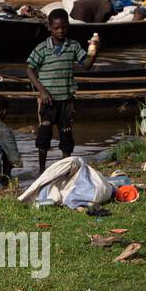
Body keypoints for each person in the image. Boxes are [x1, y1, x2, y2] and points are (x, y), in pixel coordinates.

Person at [26, 9, 99, 173]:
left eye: (64, 28)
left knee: (66, 135)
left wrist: (94, 51)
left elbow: (86, 65)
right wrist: (42, 91)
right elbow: (29, 70)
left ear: (68, 27)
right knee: (44, 135)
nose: (61, 31)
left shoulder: (73, 46)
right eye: (57, 28)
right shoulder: (43, 48)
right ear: (49, 28)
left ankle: (66, 169)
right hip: (48, 100)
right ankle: (42, 170)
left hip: (66, 100)